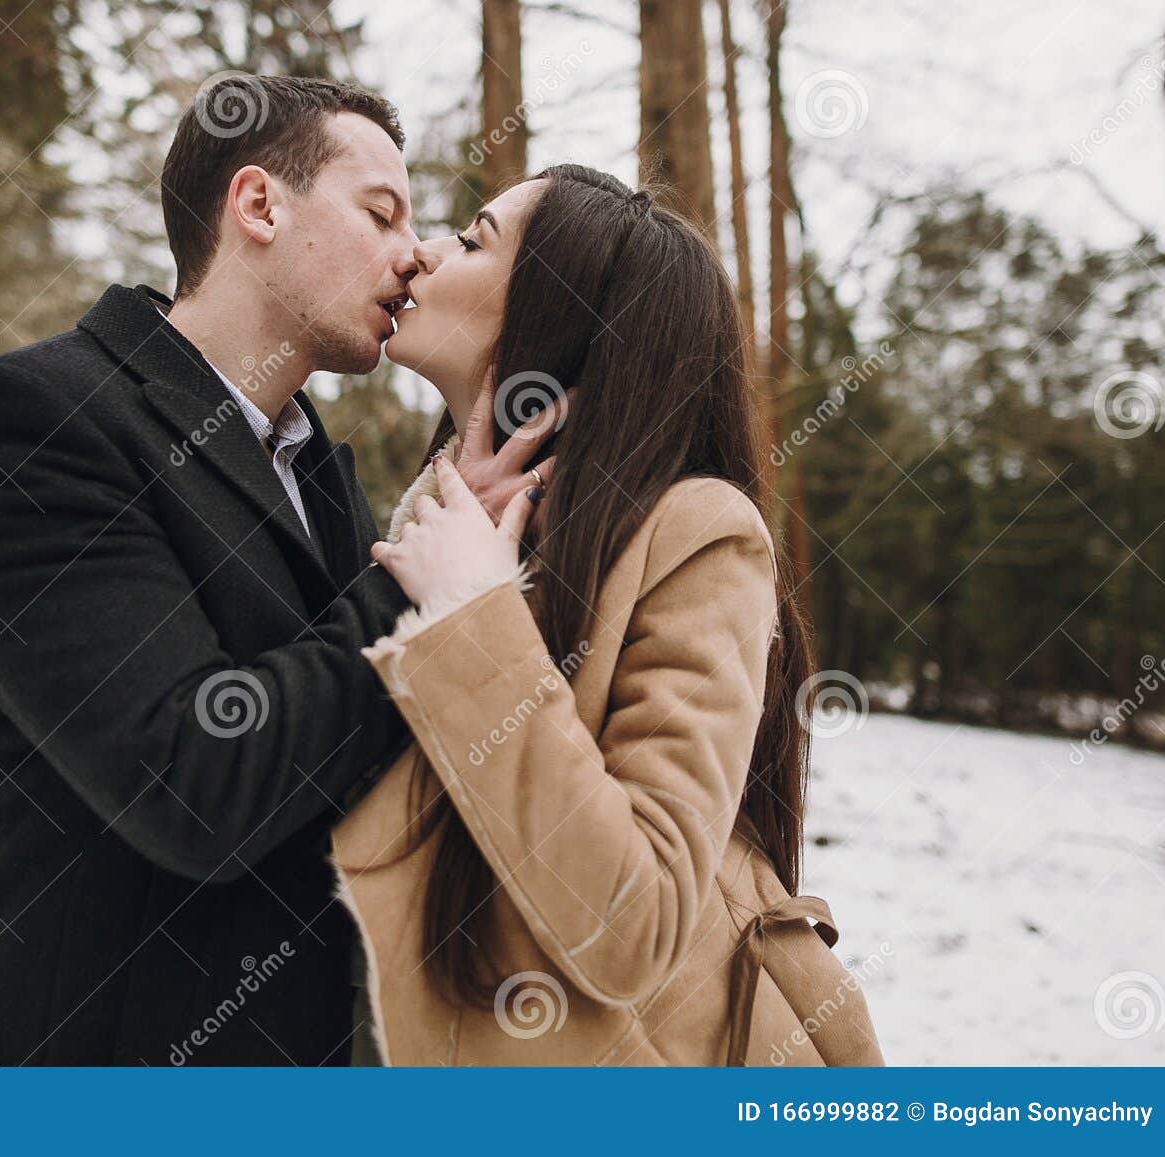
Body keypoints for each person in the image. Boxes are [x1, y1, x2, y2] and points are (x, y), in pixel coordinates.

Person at [0, 75, 540, 1065]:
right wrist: (413, 581)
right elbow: (194, 783)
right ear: (256, 205)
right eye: (380, 212)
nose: (413, 251)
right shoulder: (31, 424)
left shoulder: (312, 461)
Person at [334, 164, 885, 1066]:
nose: (424, 254)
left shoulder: (698, 531)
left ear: (564, 312)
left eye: (473, 240)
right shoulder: (448, 526)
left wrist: (471, 613)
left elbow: (635, 922)